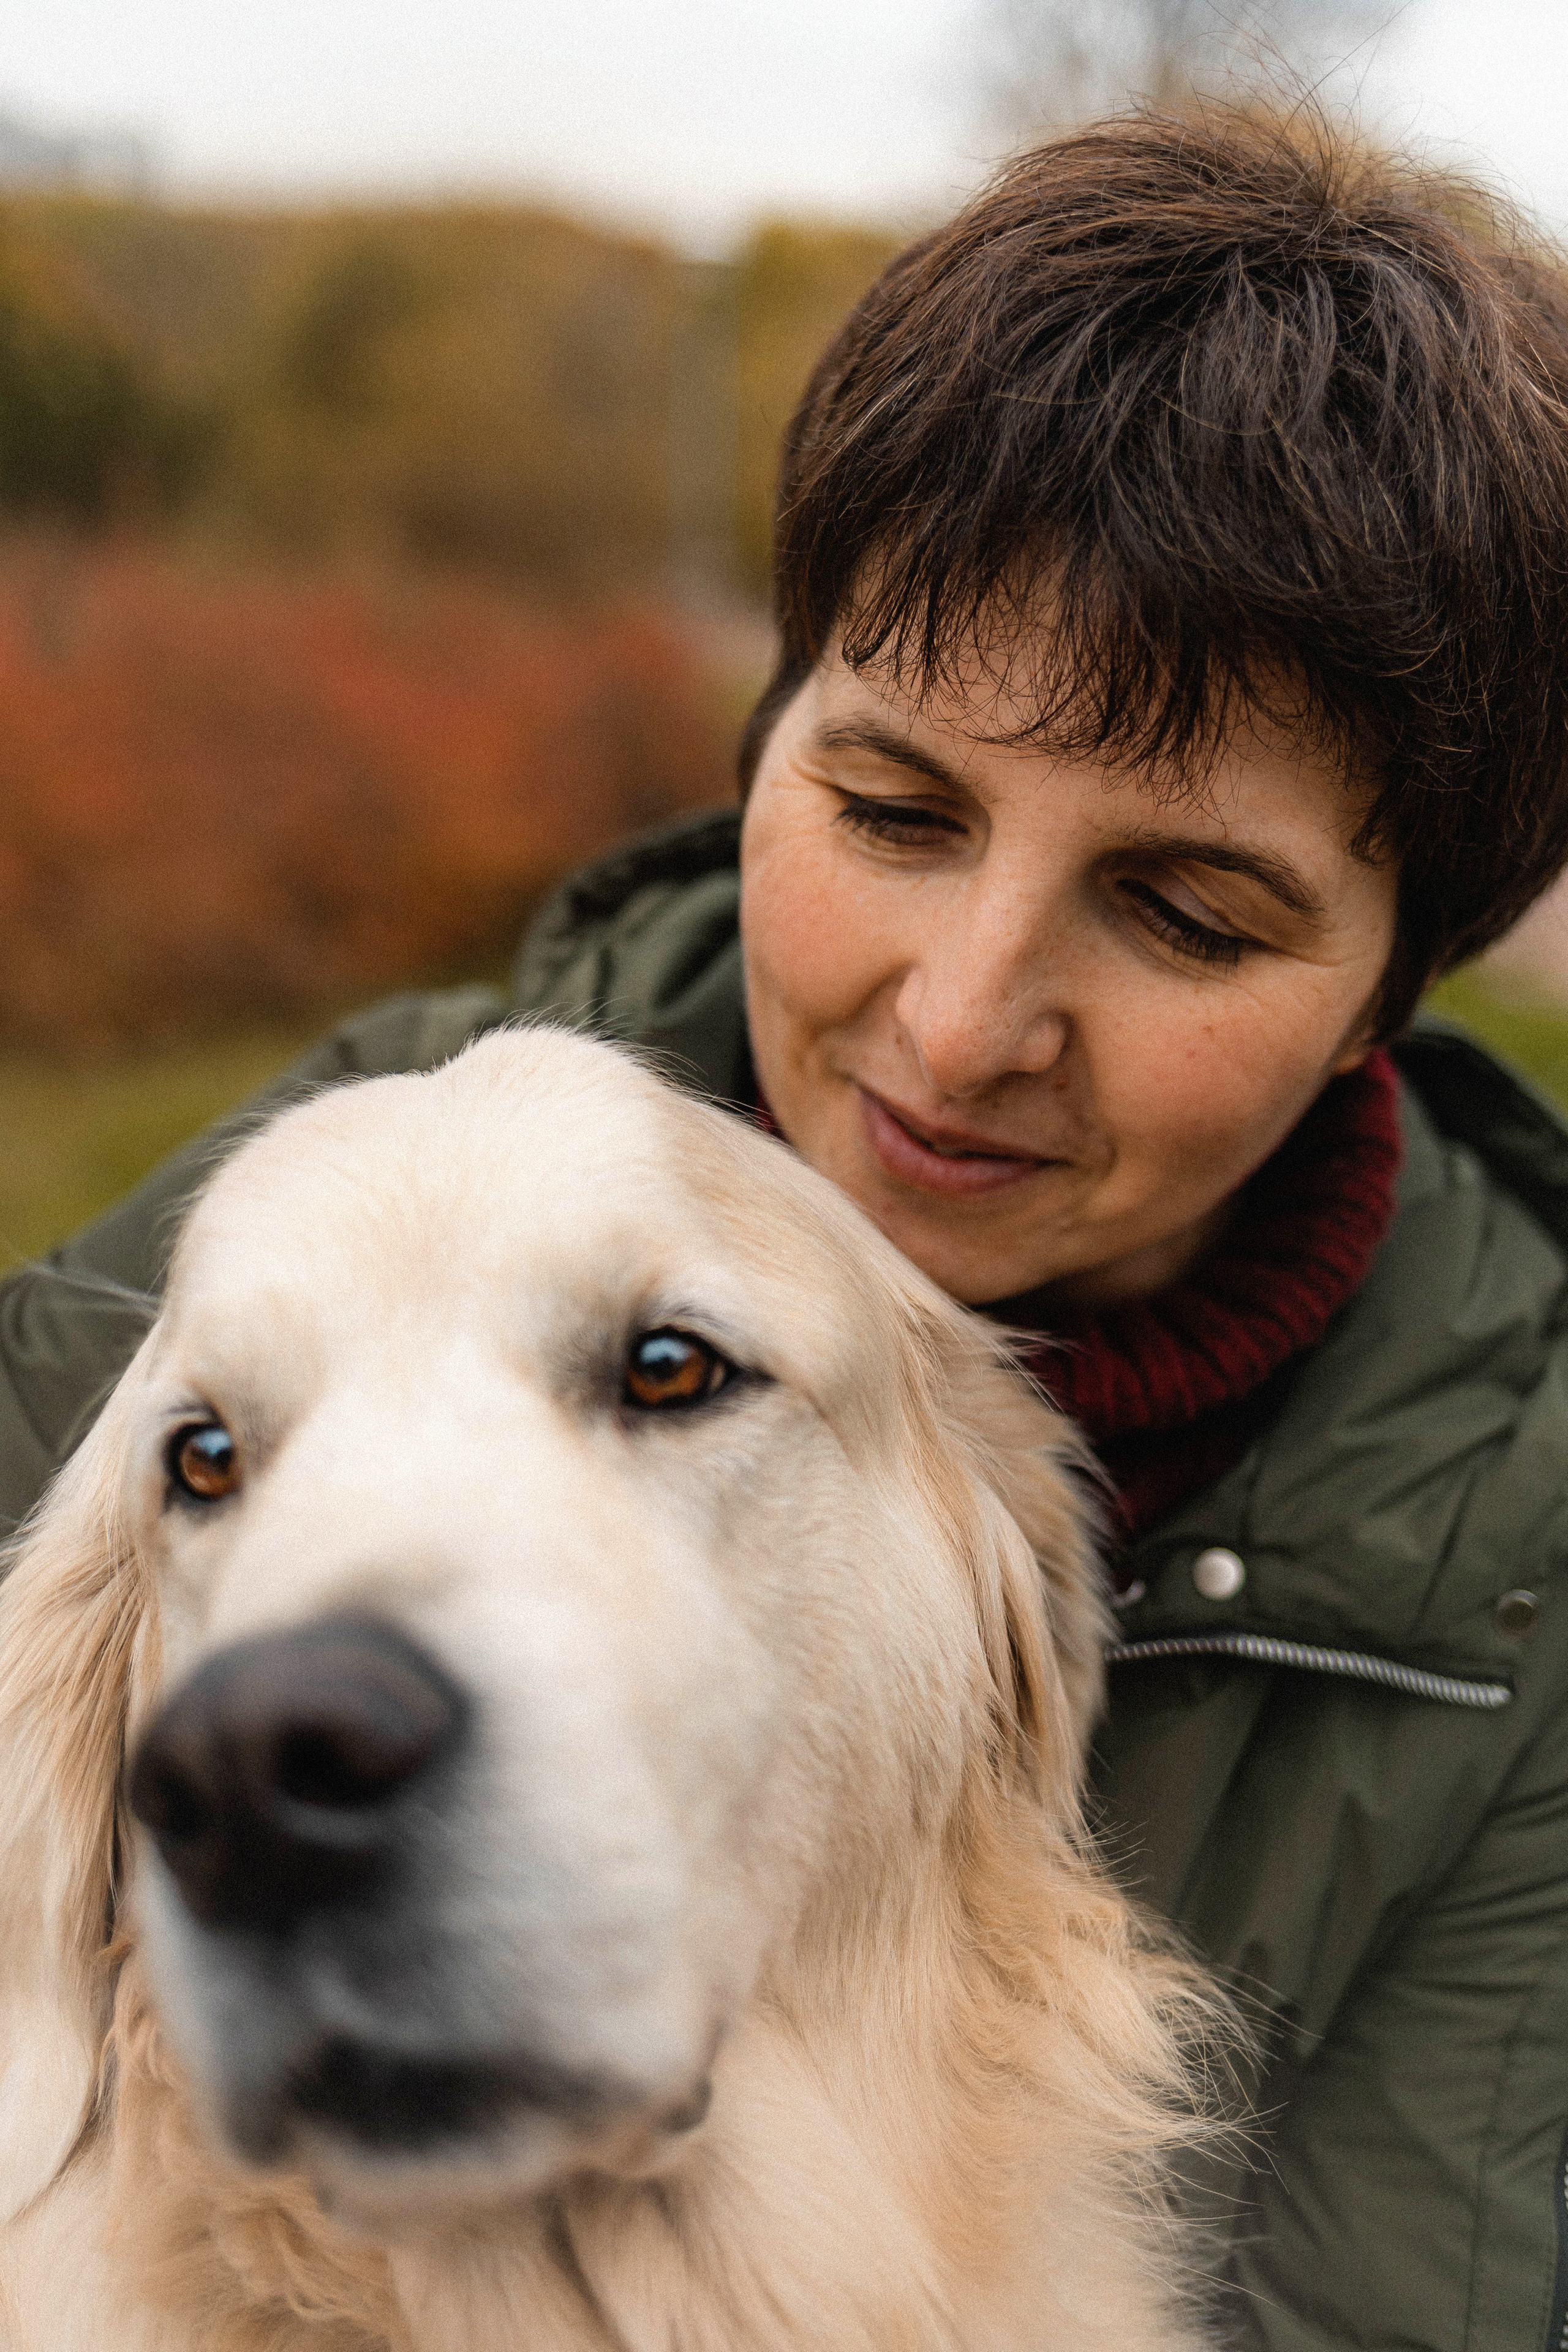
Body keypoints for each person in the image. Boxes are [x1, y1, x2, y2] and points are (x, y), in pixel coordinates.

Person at [6, 102, 1568, 2349]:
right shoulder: (310, 1227)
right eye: (893, 806)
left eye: (1187, 914)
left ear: (1381, 1008)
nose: (957, 1022)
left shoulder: (1525, 1535)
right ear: (765, 744)